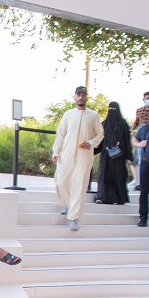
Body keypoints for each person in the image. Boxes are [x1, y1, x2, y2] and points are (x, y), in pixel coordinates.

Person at [52, 85, 104, 232]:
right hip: (67, 153)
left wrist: (91, 143)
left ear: (86, 97)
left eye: (83, 95)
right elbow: (61, 134)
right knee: (61, 181)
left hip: (84, 154)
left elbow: (100, 134)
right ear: (75, 96)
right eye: (78, 95)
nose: (81, 97)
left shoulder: (93, 115)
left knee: (80, 184)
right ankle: (68, 204)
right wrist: (56, 151)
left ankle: (74, 217)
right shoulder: (68, 114)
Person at [94, 101, 133, 206]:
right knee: (104, 176)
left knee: (118, 176)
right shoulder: (104, 124)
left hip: (119, 156)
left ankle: (120, 198)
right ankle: (103, 197)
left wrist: (129, 155)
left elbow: (127, 140)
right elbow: (99, 139)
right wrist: (93, 150)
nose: (112, 111)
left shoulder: (123, 124)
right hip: (106, 156)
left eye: (114, 109)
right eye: (110, 108)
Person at [130, 91, 149, 188]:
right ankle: (138, 181)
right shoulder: (139, 111)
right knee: (138, 159)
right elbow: (136, 122)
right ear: (143, 99)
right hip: (141, 137)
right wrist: (131, 129)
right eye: (147, 98)